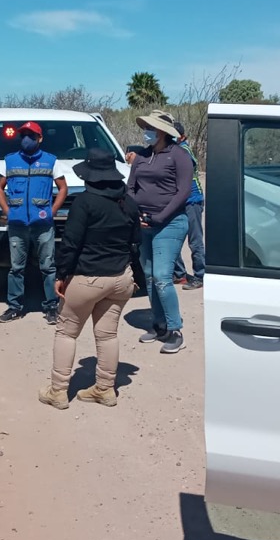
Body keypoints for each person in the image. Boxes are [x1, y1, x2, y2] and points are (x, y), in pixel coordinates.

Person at [38, 147, 142, 409]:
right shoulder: (128, 203)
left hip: (88, 278)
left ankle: (58, 391)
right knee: (107, 335)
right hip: (121, 278)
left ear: (90, 176)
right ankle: (105, 389)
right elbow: (136, 243)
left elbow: (71, 243)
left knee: (66, 333)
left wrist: (61, 274)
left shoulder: (85, 202)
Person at [127, 110, 193, 354]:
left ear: (163, 131)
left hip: (171, 224)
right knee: (150, 275)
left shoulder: (179, 156)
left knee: (164, 277)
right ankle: (159, 325)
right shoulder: (142, 156)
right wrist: (136, 213)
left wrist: (161, 216)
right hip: (145, 224)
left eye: (151, 127)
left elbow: (183, 192)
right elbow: (131, 187)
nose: (147, 132)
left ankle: (175, 330)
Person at [0, 121, 68, 325]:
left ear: (40, 138)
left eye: (31, 135)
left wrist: (52, 211)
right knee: (16, 267)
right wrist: (8, 211)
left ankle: (51, 307)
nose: (26, 139)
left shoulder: (51, 161)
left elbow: (63, 188)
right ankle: (14, 306)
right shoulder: (9, 161)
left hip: (43, 224)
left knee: (48, 266)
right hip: (17, 224)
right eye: (23, 135)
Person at [170, 121, 206, 291]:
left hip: (192, 200)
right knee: (173, 238)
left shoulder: (183, 152)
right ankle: (179, 274)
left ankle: (199, 276)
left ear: (182, 137)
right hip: (180, 201)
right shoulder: (173, 151)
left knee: (195, 240)